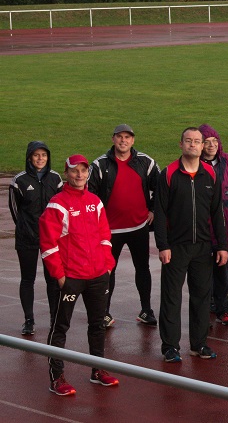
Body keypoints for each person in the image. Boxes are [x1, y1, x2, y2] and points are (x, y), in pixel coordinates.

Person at [40, 155, 119, 396]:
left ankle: (98, 369)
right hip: (70, 278)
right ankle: (57, 377)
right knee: (60, 326)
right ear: (66, 173)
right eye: (75, 171)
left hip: (97, 275)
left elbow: (105, 235)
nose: (80, 175)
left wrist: (108, 264)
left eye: (83, 171)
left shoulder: (95, 202)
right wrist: (59, 275)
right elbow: (47, 243)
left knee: (97, 325)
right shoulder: (57, 204)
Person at [154, 127, 228, 362]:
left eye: (197, 141)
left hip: (203, 247)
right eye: (189, 141)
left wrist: (222, 246)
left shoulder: (211, 174)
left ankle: (199, 344)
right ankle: (170, 346)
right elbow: (160, 213)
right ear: (181, 144)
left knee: (201, 296)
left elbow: (217, 212)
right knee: (171, 297)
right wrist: (162, 245)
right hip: (176, 247)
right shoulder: (168, 174)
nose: (193, 145)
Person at [88, 124, 159, 329]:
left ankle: (146, 310)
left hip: (138, 227)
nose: (123, 141)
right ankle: (104, 313)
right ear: (113, 139)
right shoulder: (100, 165)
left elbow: (160, 187)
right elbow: (89, 194)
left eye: (127, 137)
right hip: (110, 231)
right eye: (120, 137)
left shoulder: (146, 162)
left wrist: (153, 209)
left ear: (133, 140)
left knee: (143, 268)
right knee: (108, 271)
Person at [8, 141, 62, 336]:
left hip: (50, 239)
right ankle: (29, 320)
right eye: (36, 155)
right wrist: (25, 229)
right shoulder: (19, 181)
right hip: (27, 238)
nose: (40, 159)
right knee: (27, 278)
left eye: (44, 155)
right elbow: (15, 210)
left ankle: (54, 317)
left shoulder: (55, 179)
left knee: (53, 279)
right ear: (29, 157)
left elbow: (60, 208)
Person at [199, 124, 228, 326]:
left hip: (224, 224)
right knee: (204, 270)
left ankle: (222, 305)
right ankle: (208, 304)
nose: (211, 145)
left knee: (222, 267)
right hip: (202, 226)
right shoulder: (195, 164)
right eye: (206, 142)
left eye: (214, 141)